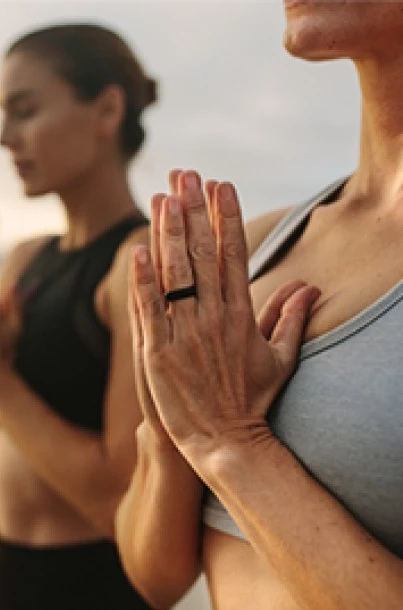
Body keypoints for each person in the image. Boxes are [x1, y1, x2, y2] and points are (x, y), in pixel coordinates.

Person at [117, 3, 403, 609]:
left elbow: (221, 439)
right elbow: (157, 578)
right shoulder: (258, 244)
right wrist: (174, 435)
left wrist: (230, 441)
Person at [0, 23, 157, 610]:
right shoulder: (25, 260)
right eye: (2, 115)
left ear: (106, 111)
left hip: (88, 584)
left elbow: (121, 498)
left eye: (24, 111)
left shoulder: (140, 264)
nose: (4, 138)